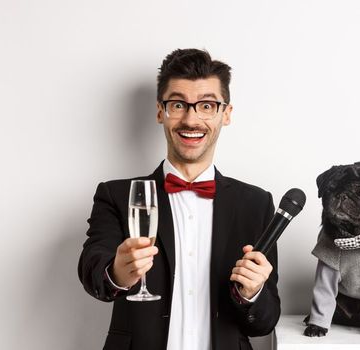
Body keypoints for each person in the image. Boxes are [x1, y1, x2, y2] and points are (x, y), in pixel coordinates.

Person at [78, 48, 281, 350]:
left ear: (226, 114)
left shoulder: (256, 203)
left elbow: (265, 322)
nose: (191, 118)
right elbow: (92, 271)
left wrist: (252, 292)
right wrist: (118, 273)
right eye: (178, 104)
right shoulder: (117, 195)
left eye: (207, 105)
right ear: (160, 111)